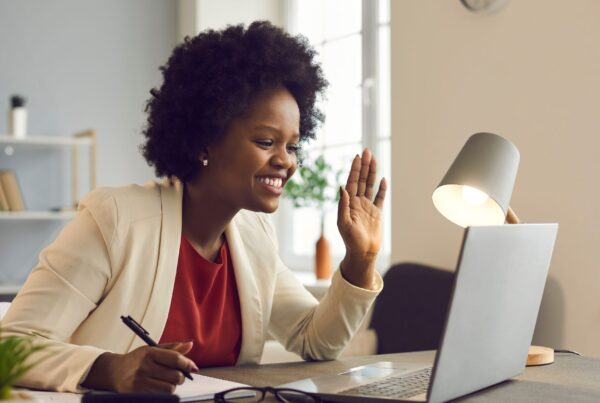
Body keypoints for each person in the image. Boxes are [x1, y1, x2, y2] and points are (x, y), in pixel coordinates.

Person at [1, 21, 387, 394]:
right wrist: (109, 368)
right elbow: (10, 346)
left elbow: (316, 340)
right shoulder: (116, 220)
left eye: (293, 146)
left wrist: (361, 258)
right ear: (205, 141)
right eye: (266, 141)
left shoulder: (255, 237)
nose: (285, 161)